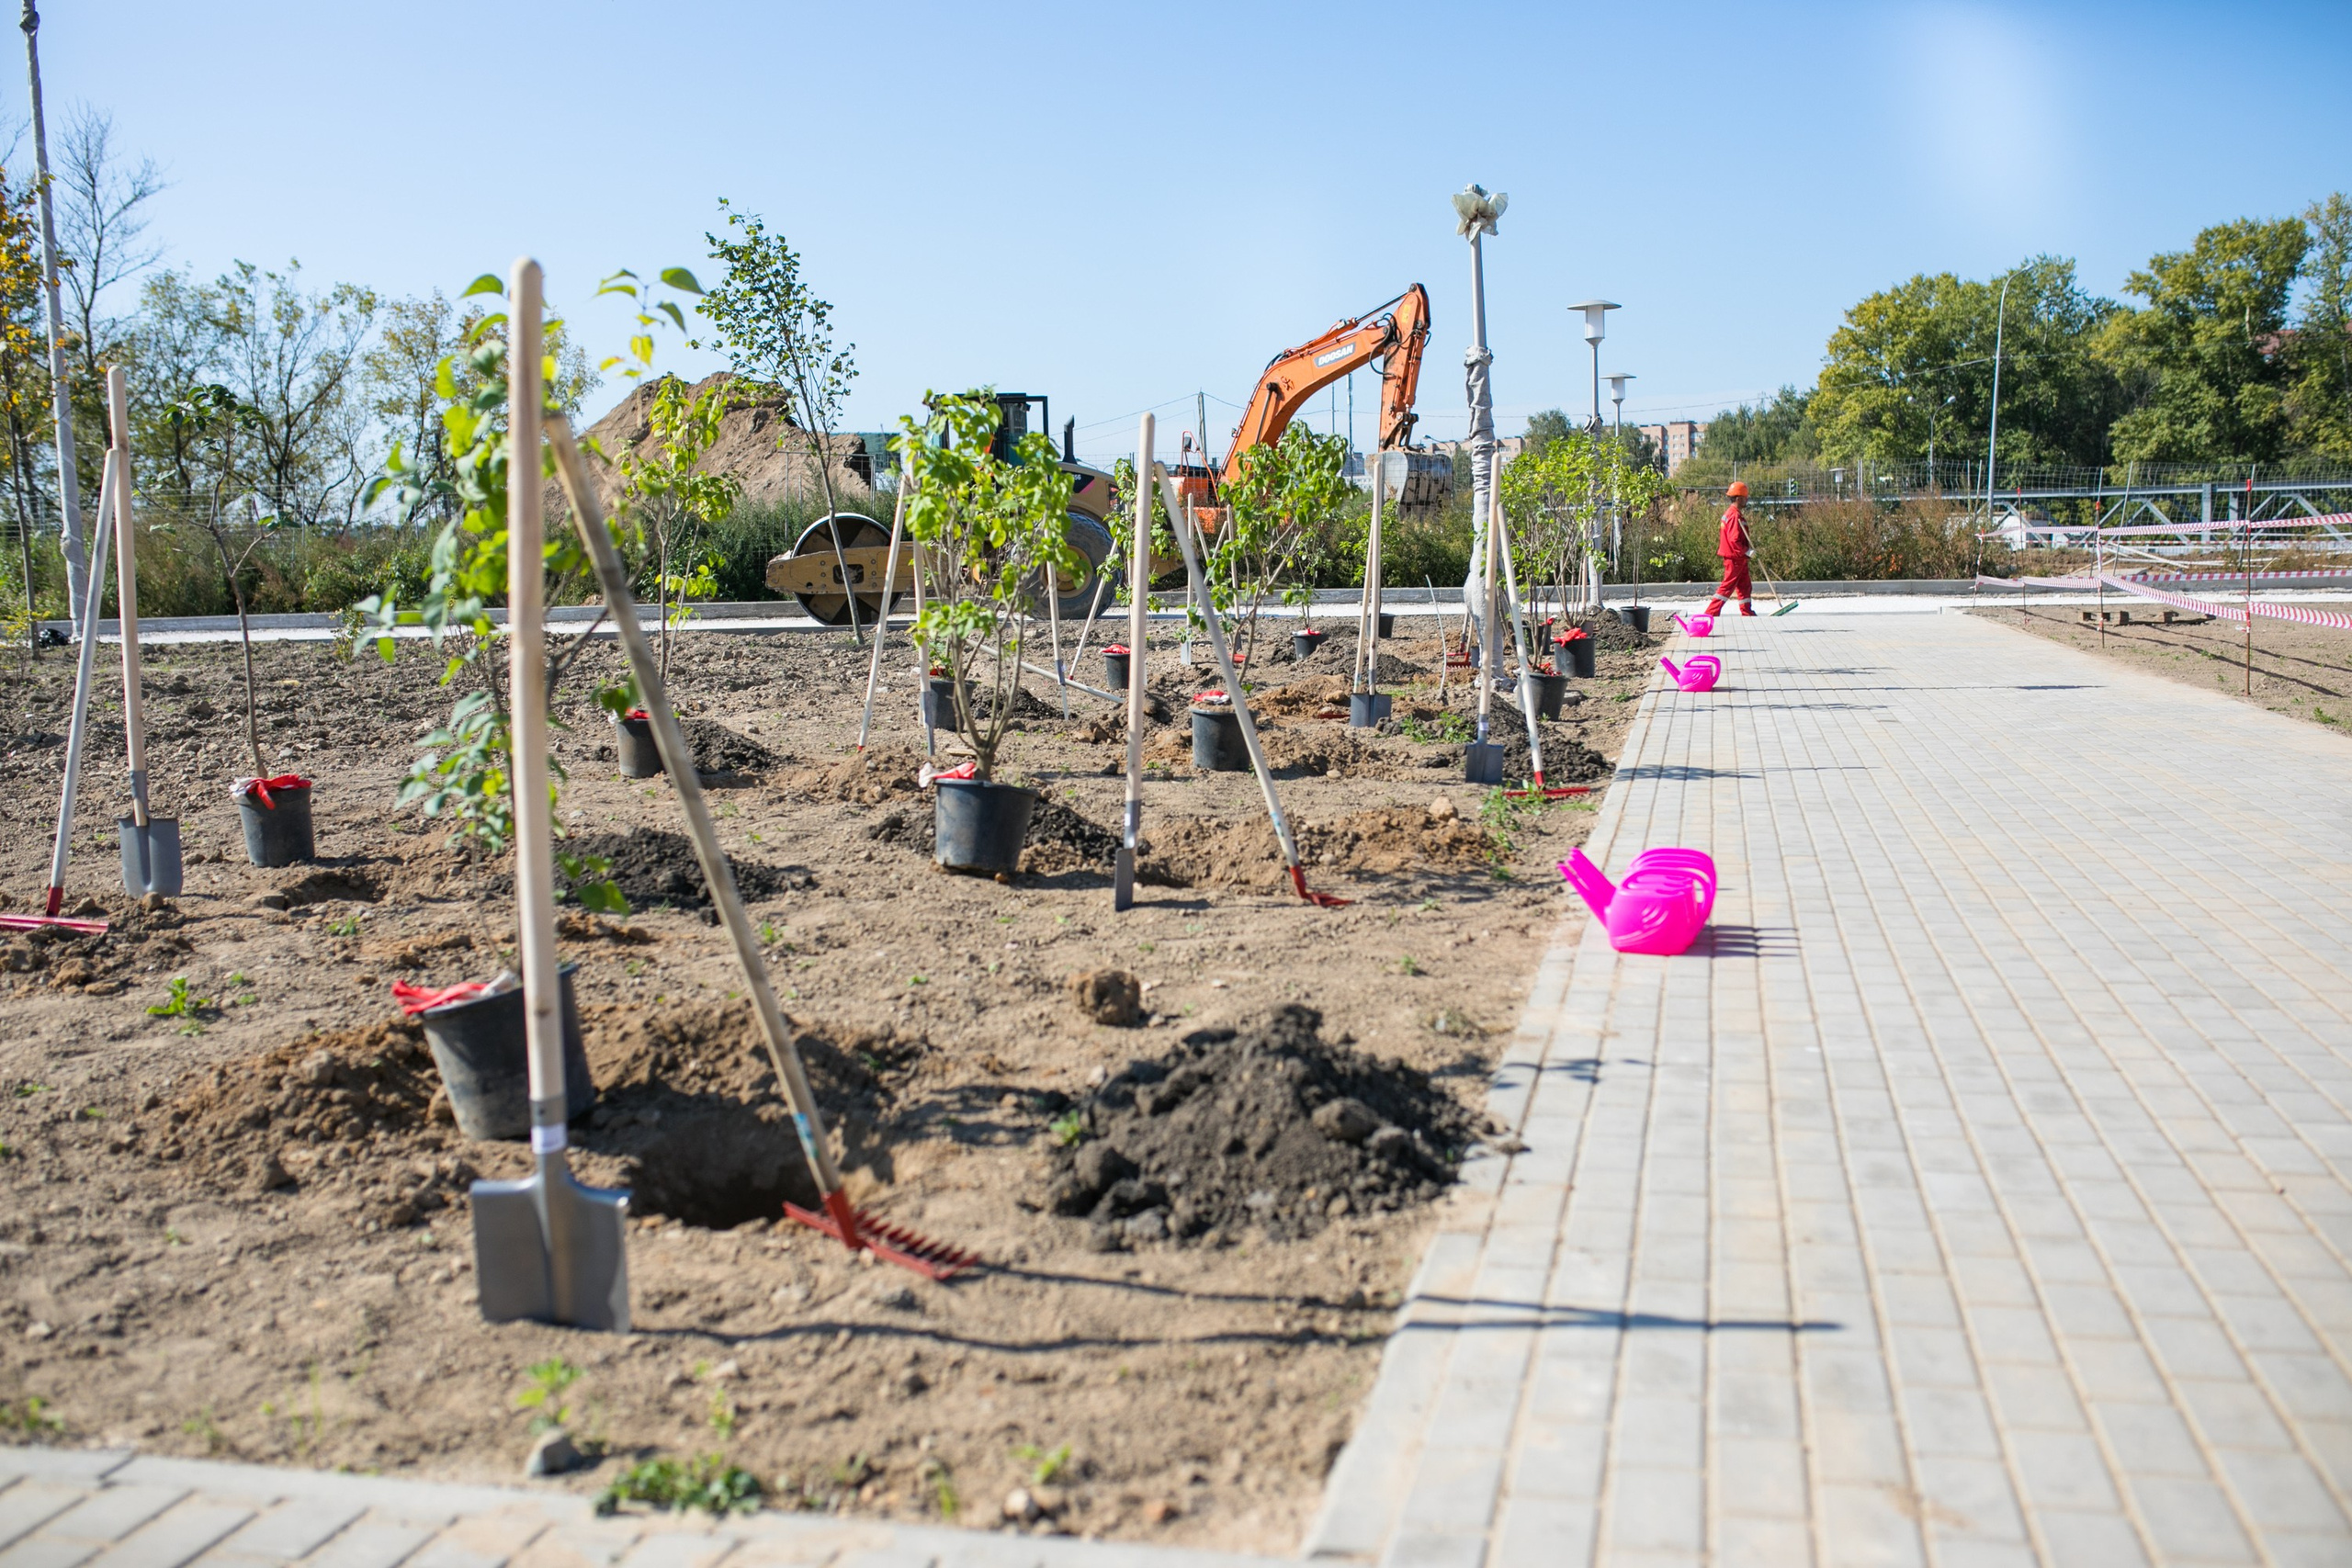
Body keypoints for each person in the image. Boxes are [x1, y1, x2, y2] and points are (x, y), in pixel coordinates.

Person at [1705, 481, 1757, 616]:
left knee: (1745, 586)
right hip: (1735, 558)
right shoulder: (1734, 516)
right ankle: (1710, 614)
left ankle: (1747, 612)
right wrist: (1747, 551)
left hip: (1739, 558)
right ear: (1739, 498)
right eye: (1746, 498)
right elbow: (1734, 540)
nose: (1747, 500)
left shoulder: (1731, 513)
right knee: (1727, 587)